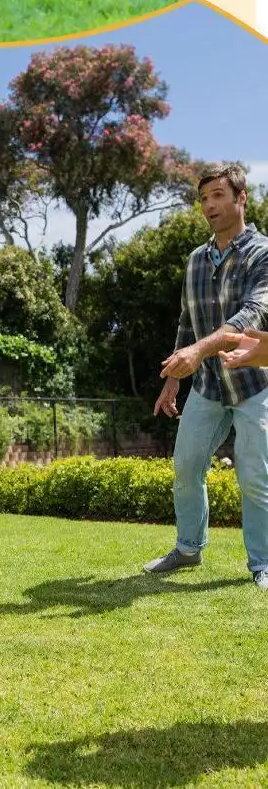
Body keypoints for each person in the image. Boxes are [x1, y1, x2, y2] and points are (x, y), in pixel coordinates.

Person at [143, 164, 268, 587]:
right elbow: (187, 321)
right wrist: (173, 377)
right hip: (208, 387)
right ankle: (188, 548)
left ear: (241, 198)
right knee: (186, 466)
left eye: (217, 195)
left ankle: (262, 565)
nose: (209, 206)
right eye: (203, 199)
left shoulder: (262, 254)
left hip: (255, 384)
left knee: (254, 476)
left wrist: (198, 350)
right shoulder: (196, 260)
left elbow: (253, 313)